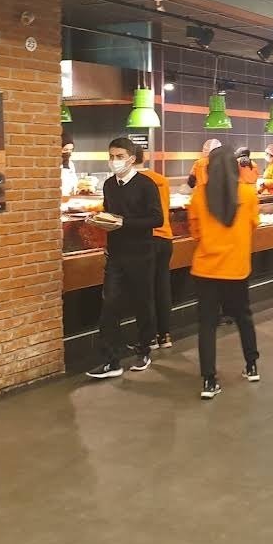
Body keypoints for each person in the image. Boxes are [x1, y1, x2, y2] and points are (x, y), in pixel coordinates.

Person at [86, 138, 164, 380]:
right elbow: (110, 214)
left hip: (141, 253)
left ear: (131, 158)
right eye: (111, 156)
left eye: (119, 156)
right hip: (116, 254)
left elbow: (157, 219)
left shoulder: (146, 185)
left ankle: (144, 349)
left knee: (143, 303)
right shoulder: (109, 185)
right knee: (110, 305)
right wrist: (101, 220)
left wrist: (124, 223)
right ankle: (111, 360)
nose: (114, 161)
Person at [188, 147, 261, 400]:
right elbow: (254, 224)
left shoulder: (199, 196)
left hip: (205, 269)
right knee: (243, 316)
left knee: (207, 324)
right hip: (237, 268)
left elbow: (195, 232)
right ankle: (252, 366)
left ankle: (209, 380)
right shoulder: (248, 194)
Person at [136, 146, 174, 351]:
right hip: (165, 237)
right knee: (163, 287)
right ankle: (165, 335)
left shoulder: (133, 182)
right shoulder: (162, 180)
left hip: (145, 239)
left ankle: (149, 338)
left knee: (146, 289)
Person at [61, 132, 77, 196]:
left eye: (71, 150)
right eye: (65, 150)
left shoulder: (70, 164)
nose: (69, 153)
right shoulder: (51, 165)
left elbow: (73, 182)